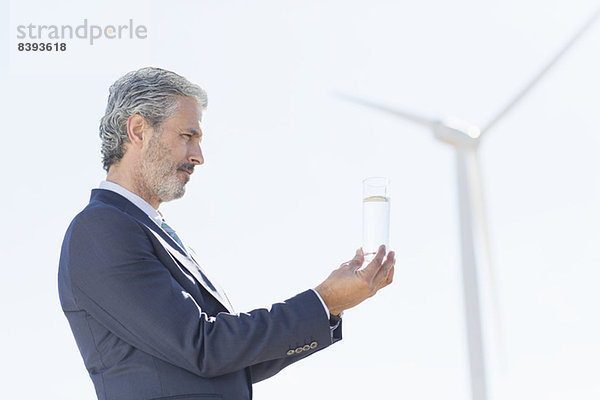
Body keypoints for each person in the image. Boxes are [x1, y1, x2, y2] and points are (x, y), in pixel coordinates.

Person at [58, 67, 395, 400]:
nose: (198, 156)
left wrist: (330, 308)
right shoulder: (101, 229)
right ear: (138, 130)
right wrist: (324, 299)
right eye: (188, 136)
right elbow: (203, 347)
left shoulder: (153, 232)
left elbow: (230, 361)